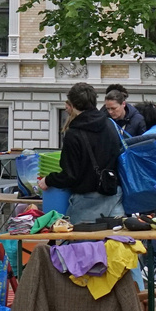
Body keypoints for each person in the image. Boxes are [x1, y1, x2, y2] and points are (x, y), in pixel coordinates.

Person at [45, 82, 125, 223]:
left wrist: (48, 180)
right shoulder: (110, 124)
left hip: (87, 201)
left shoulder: (73, 134)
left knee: (84, 245)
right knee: (115, 244)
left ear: (73, 104)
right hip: (114, 194)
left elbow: (70, 175)